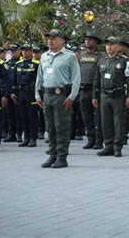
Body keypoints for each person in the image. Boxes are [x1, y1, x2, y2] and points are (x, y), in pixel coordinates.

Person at [37, 29, 81, 169]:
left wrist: (71, 97)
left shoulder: (70, 56)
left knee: (61, 127)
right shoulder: (44, 56)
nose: (50, 41)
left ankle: (62, 157)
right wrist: (37, 95)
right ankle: (52, 155)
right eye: (49, 38)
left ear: (62, 40)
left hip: (62, 96)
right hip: (47, 95)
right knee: (50, 127)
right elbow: (39, 77)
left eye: (54, 38)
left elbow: (76, 79)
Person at [92, 36, 129, 157]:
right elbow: (97, 79)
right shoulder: (102, 60)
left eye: (111, 44)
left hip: (118, 96)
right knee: (106, 122)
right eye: (107, 44)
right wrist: (94, 96)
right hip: (104, 95)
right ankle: (108, 146)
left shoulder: (124, 61)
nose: (109, 47)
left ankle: (117, 147)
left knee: (118, 123)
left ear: (117, 46)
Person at [79, 32, 104, 150]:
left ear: (96, 42)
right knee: (86, 116)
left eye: (90, 39)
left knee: (98, 117)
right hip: (83, 90)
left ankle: (99, 140)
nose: (87, 41)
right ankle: (90, 139)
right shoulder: (81, 56)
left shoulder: (100, 56)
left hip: (95, 90)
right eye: (86, 39)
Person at [12, 43, 39, 147]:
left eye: (27, 50)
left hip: (31, 93)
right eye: (23, 50)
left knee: (32, 116)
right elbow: (14, 80)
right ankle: (26, 138)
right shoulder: (18, 64)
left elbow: (39, 80)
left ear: (31, 51)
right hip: (20, 93)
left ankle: (33, 138)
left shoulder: (36, 63)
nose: (24, 52)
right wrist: (13, 92)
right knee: (23, 117)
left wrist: (38, 94)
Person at [3, 44, 23, 143]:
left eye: (15, 50)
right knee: (9, 114)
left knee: (19, 114)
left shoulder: (22, 62)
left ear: (19, 51)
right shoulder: (6, 63)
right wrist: (7, 93)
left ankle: (19, 134)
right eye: (11, 51)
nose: (13, 52)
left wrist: (14, 92)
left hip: (19, 92)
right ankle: (11, 134)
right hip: (8, 92)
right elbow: (5, 79)